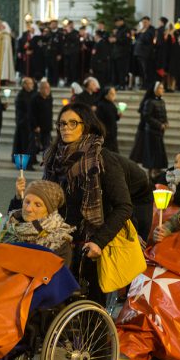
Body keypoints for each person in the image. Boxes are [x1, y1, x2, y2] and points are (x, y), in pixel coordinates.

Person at [40, 102, 132, 304]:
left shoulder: (101, 159)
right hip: (59, 239)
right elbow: (45, 199)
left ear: (87, 126)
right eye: (62, 123)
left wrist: (98, 242)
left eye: (73, 123)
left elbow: (124, 206)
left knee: (86, 306)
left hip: (90, 241)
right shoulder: (53, 158)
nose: (66, 128)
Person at [1, 180, 75, 264]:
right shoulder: (11, 225)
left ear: (49, 211)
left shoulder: (59, 242)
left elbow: (58, 276)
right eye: (27, 202)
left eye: (37, 205)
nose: (28, 209)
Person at [141, 81, 169, 177]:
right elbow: (147, 116)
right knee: (152, 152)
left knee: (159, 152)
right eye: (161, 88)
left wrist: (166, 122)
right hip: (151, 132)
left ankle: (157, 170)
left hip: (159, 132)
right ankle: (150, 171)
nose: (163, 90)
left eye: (163, 88)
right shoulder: (149, 102)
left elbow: (164, 114)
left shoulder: (162, 101)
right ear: (155, 90)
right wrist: (159, 124)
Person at [12, 77, 36, 163]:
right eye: (30, 83)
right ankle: (23, 161)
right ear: (24, 85)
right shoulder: (21, 96)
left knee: (30, 143)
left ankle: (31, 159)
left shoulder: (32, 94)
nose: (32, 85)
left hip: (30, 123)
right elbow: (22, 111)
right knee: (23, 143)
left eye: (32, 83)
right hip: (23, 123)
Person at [29, 78, 54, 159]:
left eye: (49, 88)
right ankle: (30, 163)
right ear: (41, 89)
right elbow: (32, 114)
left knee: (47, 146)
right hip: (37, 127)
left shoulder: (49, 98)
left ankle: (46, 163)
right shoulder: (34, 98)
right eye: (46, 88)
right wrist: (35, 126)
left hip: (47, 127)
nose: (48, 90)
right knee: (34, 147)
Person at [96, 86, 120, 153]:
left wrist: (118, 116)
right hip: (106, 134)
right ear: (106, 95)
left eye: (114, 93)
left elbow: (114, 118)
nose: (114, 95)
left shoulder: (112, 104)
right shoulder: (101, 105)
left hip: (112, 133)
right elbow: (100, 120)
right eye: (111, 93)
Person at [133, 17, 155, 89]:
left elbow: (148, 39)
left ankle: (147, 84)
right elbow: (136, 38)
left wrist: (143, 32)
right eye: (143, 22)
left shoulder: (151, 30)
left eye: (145, 22)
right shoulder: (141, 30)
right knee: (141, 70)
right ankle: (143, 83)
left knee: (146, 69)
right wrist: (139, 31)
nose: (144, 24)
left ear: (149, 22)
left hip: (146, 53)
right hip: (138, 53)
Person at [111, 16, 132, 89]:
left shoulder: (126, 30)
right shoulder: (117, 30)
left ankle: (122, 84)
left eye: (117, 21)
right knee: (116, 69)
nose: (116, 23)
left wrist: (116, 40)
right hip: (116, 53)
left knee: (122, 70)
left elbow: (127, 40)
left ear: (121, 21)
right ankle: (117, 84)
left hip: (123, 53)